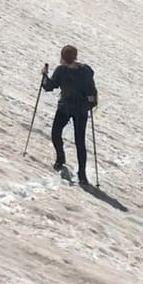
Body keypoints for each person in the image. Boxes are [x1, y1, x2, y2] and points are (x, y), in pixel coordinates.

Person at [42, 45, 98, 186]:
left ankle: (61, 159)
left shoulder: (62, 70)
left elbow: (49, 86)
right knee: (79, 142)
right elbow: (91, 92)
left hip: (65, 107)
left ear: (63, 57)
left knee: (56, 133)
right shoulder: (85, 71)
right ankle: (82, 174)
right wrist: (90, 104)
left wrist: (44, 76)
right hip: (80, 110)